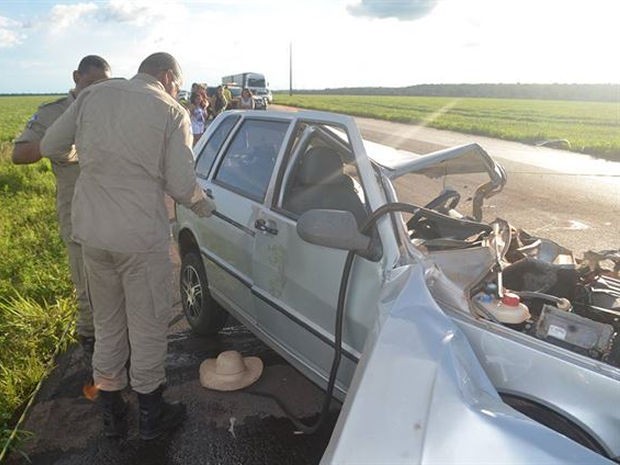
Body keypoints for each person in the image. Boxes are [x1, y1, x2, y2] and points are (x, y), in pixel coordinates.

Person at [40, 52, 216, 440]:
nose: (177, 90)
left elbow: (51, 145)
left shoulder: (94, 95)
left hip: (93, 235)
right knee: (148, 323)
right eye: (178, 84)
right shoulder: (172, 111)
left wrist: (86, 160)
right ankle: (151, 412)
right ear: (168, 76)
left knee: (107, 324)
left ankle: (112, 410)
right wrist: (205, 206)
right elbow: (181, 185)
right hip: (139, 239)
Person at [12, 55, 111, 362]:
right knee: (87, 291)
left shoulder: (111, 110)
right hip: (78, 213)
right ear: (75, 77)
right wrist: (62, 147)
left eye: (103, 85)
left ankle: (118, 352)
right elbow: (19, 154)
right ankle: (94, 360)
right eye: (91, 84)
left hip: (114, 211)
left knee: (115, 287)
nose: (96, 91)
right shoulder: (54, 112)